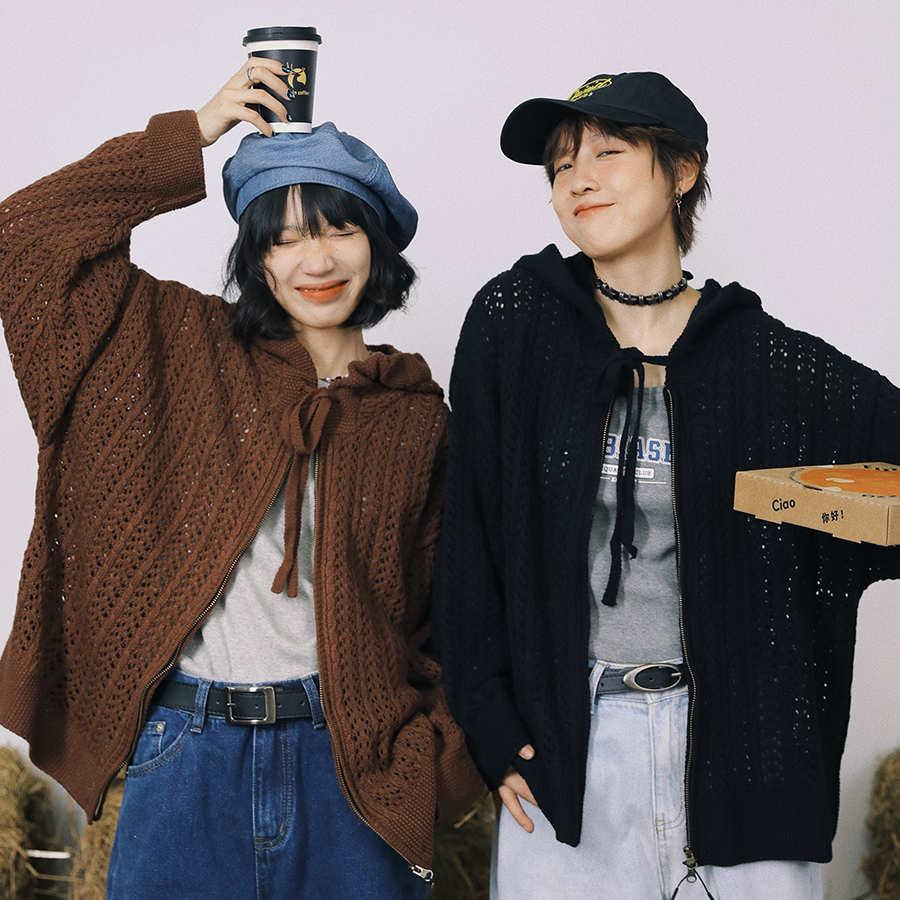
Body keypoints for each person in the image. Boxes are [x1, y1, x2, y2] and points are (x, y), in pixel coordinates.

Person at [0, 57, 482, 899]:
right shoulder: (181, 347)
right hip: (185, 759)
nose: (314, 259)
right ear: (257, 259)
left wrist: (440, 760)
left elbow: (444, 619)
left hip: (352, 775)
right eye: (282, 237)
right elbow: (24, 239)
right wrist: (190, 135)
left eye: (337, 229)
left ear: (377, 241)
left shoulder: (416, 419)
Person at [432, 71, 900, 900]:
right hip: (568, 753)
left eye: (609, 153)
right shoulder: (518, 326)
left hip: (743, 756)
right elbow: (471, 543)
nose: (579, 180)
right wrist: (492, 727)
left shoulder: (768, 365)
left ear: (682, 171)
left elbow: (878, 497)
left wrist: (777, 501)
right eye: (560, 166)